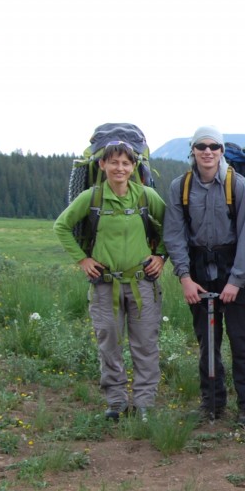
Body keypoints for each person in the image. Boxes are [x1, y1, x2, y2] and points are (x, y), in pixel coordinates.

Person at [53, 139, 166, 421]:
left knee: (145, 345)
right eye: (113, 162)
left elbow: (172, 226)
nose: (119, 168)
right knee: (109, 343)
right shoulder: (91, 198)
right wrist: (83, 260)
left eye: (125, 163)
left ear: (134, 167)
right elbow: (62, 226)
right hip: (104, 284)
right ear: (102, 164)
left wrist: (161, 256)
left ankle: (144, 405)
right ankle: (116, 403)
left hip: (142, 282)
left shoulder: (145, 196)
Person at [163, 125, 245, 427]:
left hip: (234, 266)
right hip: (198, 269)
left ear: (221, 151)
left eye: (214, 146)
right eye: (201, 146)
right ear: (192, 150)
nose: (208, 152)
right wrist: (184, 277)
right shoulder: (179, 187)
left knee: (243, 340)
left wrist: (236, 280)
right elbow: (174, 234)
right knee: (207, 341)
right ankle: (212, 403)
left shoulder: (239, 185)